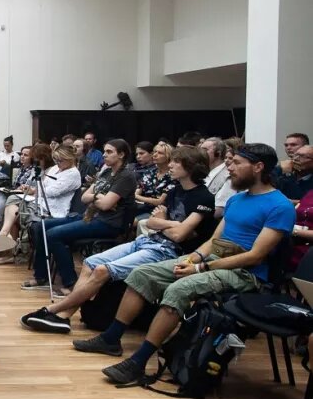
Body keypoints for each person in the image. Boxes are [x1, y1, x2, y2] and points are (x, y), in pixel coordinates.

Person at [73, 143, 296, 385]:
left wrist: (200, 268)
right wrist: (192, 260)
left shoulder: (279, 206)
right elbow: (213, 241)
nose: (229, 168)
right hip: (212, 261)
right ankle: (111, 338)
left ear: (258, 167)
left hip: (245, 274)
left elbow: (255, 256)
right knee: (142, 274)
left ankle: (138, 361)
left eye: (236, 163)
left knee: (179, 288)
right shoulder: (237, 200)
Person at [21, 146, 215, 334]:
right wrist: (170, 224)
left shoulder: (203, 198)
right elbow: (152, 222)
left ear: (191, 166)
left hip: (170, 251)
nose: (170, 165)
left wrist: (163, 222)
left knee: (102, 270)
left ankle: (53, 310)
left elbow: (179, 235)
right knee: (90, 263)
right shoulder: (175, 191)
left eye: (176, 162)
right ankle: (64, 317)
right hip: (149, 241)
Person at [21, 140, 137, 296]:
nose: (104, 155)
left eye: (109, 152)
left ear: (121, 154)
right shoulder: (106, 172)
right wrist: (99, 197)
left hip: (108, 223)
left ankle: (71, 283)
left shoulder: (126, 176)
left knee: (53, 234)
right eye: (104, 151)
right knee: (39, 226)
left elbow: (106, 205)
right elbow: (85, 197)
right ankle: (41, 276)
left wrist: (98, 199)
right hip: (89, 216)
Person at [0, 145, 81, 240]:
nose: (57, 163)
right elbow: (43, 185)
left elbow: (52, 191)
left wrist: (35, 190)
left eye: (60, 160)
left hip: (51, 209)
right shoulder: (55, 168)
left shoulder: (73, 174)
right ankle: (5, 233)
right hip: (39, 202)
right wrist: (34, 189)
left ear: (70, 159)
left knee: (14, 213)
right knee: (12, 202)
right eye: (56, 160)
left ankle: (7, 237)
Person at [0, 145, 34, 232]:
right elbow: (14, 184)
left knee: (0, 193)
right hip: (15, 190)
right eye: (22, 154)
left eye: (26, 155)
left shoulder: (33, 170)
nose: (22, 157)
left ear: (32, 157)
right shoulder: (21, 168)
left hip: (23, 194)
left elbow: (29, 187)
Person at [134, 142, 176, 219]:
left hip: (160, 210)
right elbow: (138, 191)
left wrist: (137, 197)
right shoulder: (149, 172)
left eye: (160, 153)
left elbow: (160, 201)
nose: (155, 155)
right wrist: (137, 196)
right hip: (143, 207)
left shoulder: (173, 176)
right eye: (155, 152)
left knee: (133, 222)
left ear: (168, 156)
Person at [201, 136, 234, 218]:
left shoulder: (228, 175)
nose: (200, 153)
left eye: (205, 150)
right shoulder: (201, 171)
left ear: (218, 153)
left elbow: (219, 211)